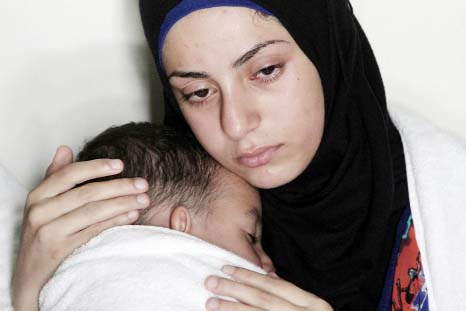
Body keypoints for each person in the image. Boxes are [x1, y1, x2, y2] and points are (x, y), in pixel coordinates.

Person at [12, 1, 466, 311]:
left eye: (265, 70)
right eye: (198, 91)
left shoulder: (452, 204)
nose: (235, 123)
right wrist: (32, 291)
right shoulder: (155, 216)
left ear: (328, 51)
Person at [38, 122, 274, 310]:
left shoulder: (69, 283)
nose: (267, 262)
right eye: (250, 237)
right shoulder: (205, 290)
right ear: (181, 225)